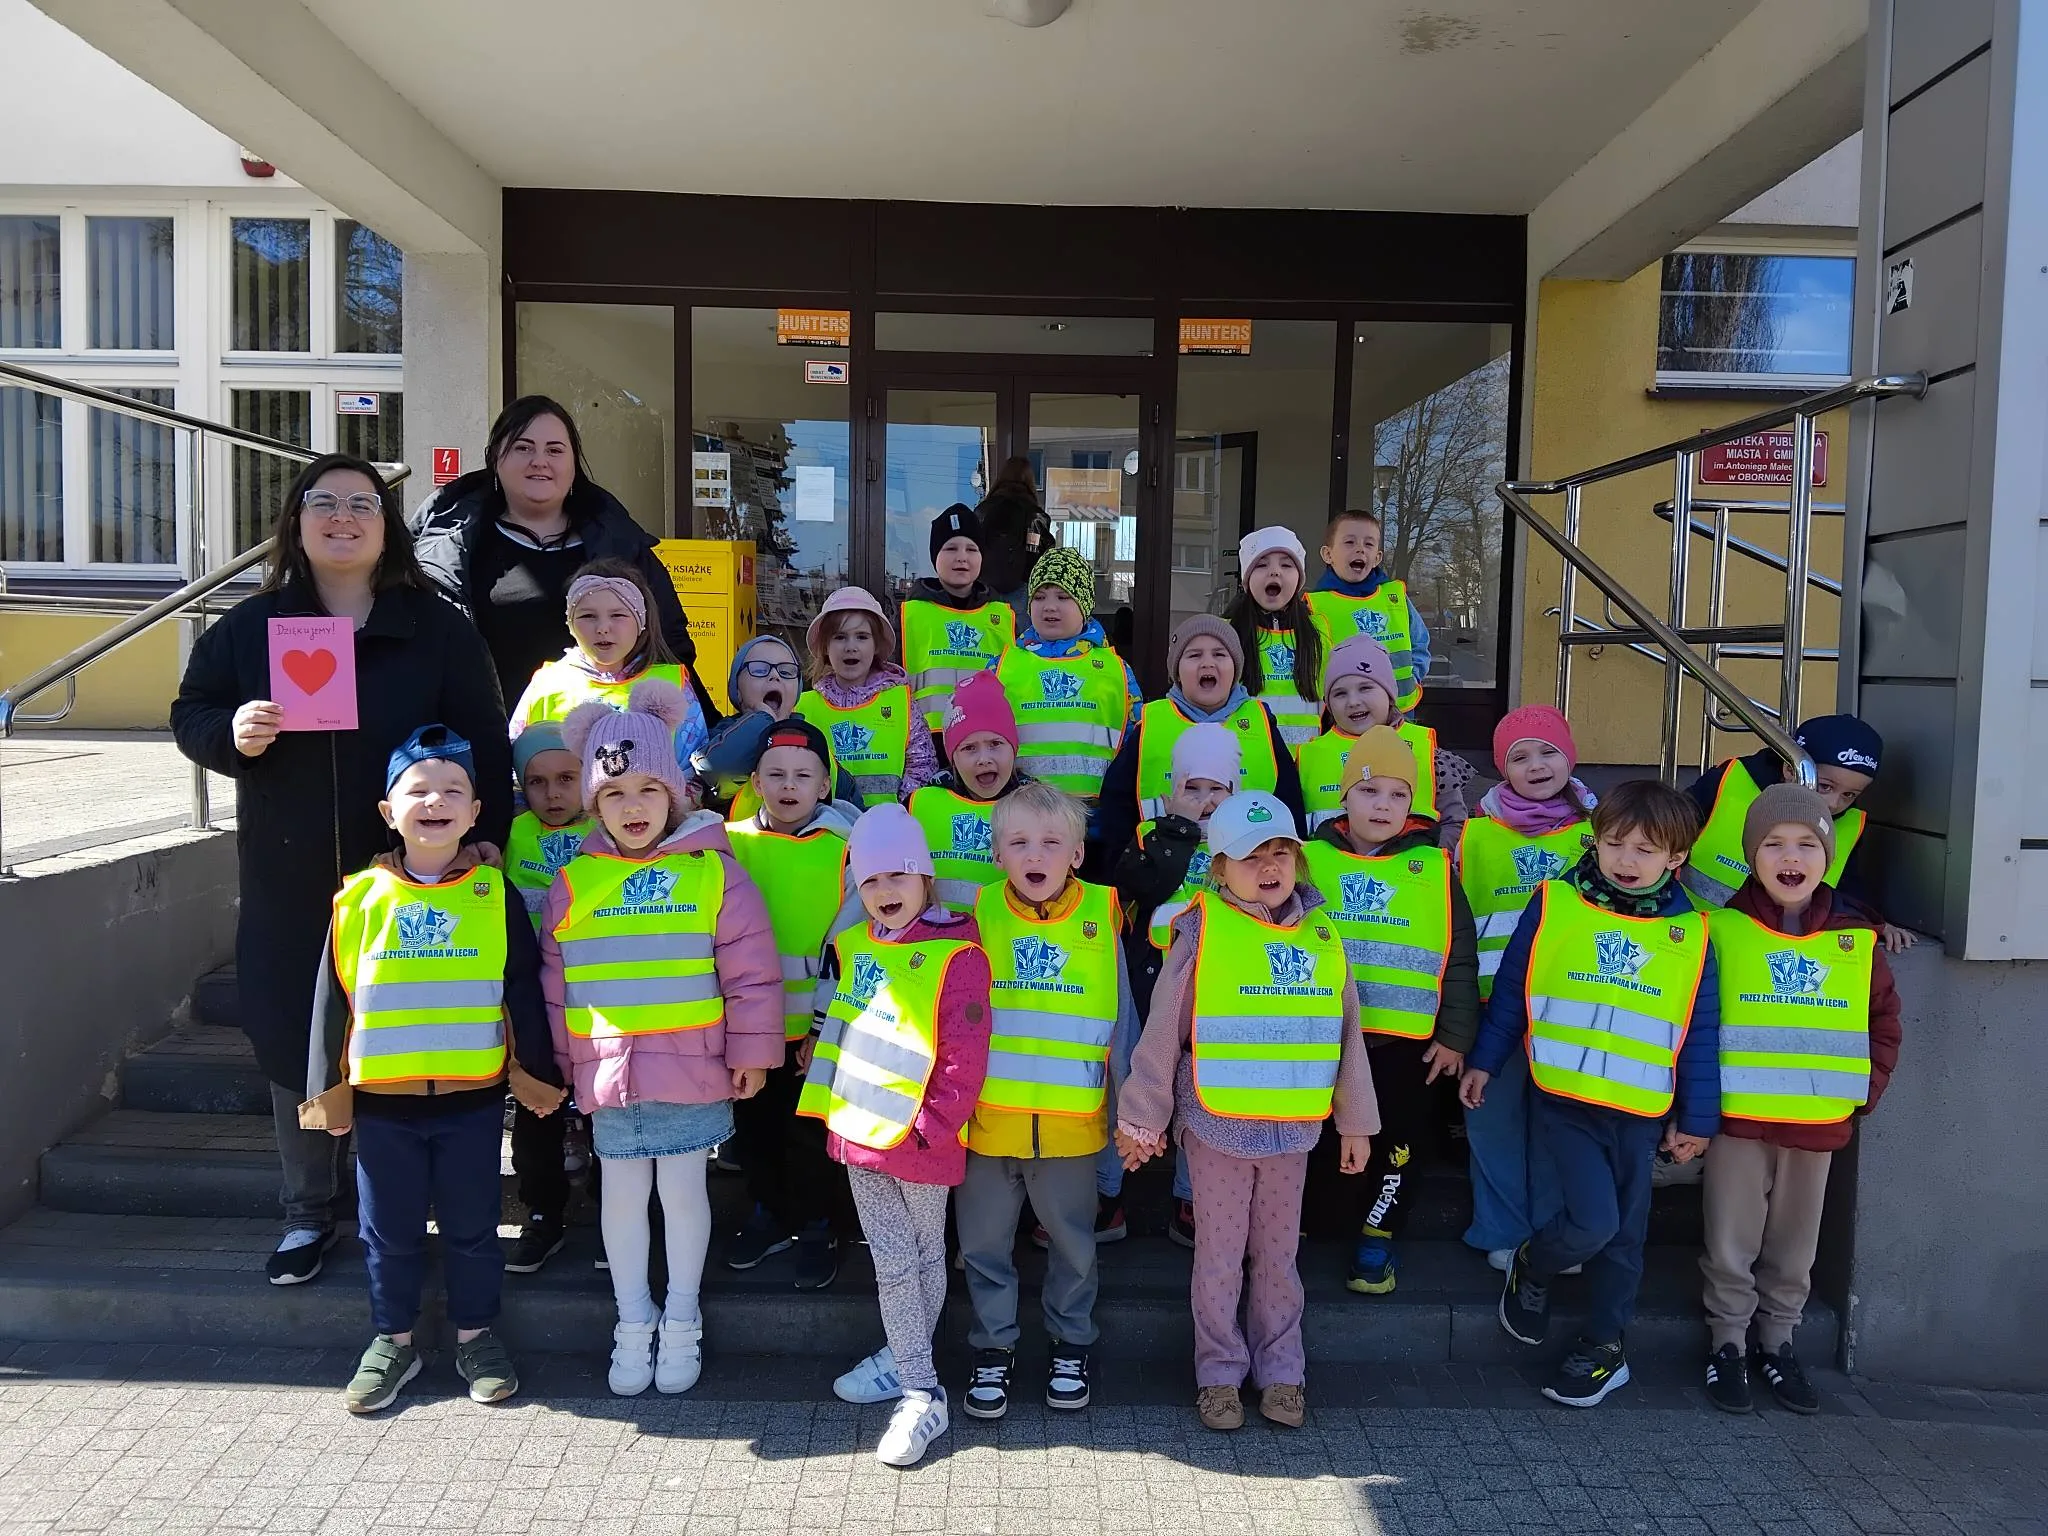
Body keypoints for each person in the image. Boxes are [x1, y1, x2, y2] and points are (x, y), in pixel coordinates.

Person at [171, 454, 511, 1287]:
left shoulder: (437, 628)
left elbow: (485, 738)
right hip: (291, 879)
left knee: (404, 1029)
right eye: (323, 502)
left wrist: (487, 837)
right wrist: (231, 734)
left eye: (363, 503)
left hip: (408, 878)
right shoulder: (252, 628)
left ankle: (398, 1209)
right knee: (295, 1033)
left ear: (387, 527)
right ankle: (306, 1211)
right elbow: (191, 711)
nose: (343, 517)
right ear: (296, 523)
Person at [300, 726, 565, 1413]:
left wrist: (536, 1074)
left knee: (473, 1227)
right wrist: (328, 1093)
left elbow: (520, 990)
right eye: (417, 790)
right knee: (386, 1231)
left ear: (476, 812)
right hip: (383, 1104)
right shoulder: (358, 897)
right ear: (388, 811)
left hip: (470, 1100)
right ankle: (393, 1341)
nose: (435, 801)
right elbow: (333, 1000)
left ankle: (476, 1336)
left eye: (453, 791)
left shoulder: (494, 894)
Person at [539, 680, 785, 1397]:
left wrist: (752, 1053)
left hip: (692, 1069)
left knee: (682, 1193)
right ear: (595, 804)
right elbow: (555, 983)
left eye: (648, 789)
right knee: (619, 1198)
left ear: (675, 793)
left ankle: (681, 1315)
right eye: (614, 794)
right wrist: (558, 1066)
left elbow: (750, 971)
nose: (633, 806)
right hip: (609, 1074)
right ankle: (632, 1316)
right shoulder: (574, 882)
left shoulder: (712, 872)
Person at [1116, 792, 1377, 1432]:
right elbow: (1163, 1030)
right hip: (1218, 1129)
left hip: (1293, 1131)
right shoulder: (1201, 930)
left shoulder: (1323, 933)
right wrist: (1143, 1116)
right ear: (1219, 868)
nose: (1269, 865)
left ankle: (1283, 1371)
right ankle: (1219, 1374)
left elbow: (1347, 1033)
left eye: (1281, 852)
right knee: (1220, 1259)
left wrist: (1355, 1122)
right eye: (1250, 855)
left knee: (1279, 1259)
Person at [1460, 780, 1721, 1409]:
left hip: (1641, 1112)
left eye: (1645, 851)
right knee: (1594, 1223)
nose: (1626, 860)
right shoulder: (1555, 902)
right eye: (1614, 844)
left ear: (1677, 858)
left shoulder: (1692, 932)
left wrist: (1697, 1119)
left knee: (1625, 1239)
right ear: (1594, 841)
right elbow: (1514, 989)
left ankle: (1605, 1345)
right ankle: (1534, 1262)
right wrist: (1486, 1062)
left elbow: (1699, 1029)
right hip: (1565, 1100)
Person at [1698, 785, 1901, 1415]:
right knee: (1730, 1241)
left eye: (1808, 844)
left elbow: (1884, 1023)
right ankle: (1728, 1344)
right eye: (1774, 844)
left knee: (1795, 1248)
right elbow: (1695, 1021)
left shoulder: (1857, 939)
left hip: (1817, 1126)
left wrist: (1863, 1093)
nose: (1791, 856)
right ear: (1751, 856)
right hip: (1738, 1123)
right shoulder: (1719, 929)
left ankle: (1778, 1343)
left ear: (1827, 856)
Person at [800, 805, 992, 1468]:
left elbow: (965, 1056)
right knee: (895, 1259)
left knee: (920, 1256)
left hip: (920, 1140)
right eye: (871, 879)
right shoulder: (857, 943)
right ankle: (912, 1369)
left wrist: (932, 1127)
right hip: (860, 1132)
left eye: (898, 875)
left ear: (925, 878)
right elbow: (843, 1027)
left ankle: (918, 1387)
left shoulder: (959, 954)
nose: (884, 890)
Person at [958, 783, 1134, 1420]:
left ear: (1077, 855)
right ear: (997, 853)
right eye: (1019, 842)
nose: (1036, 854)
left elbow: (1123, 1023)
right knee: (983, 1246)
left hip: (1071, 1127)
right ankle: (993, 1347)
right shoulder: (976, 913)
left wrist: (1132, 1110)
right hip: (987, 1124)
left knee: (1073, 1247)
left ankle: (1071, 1344)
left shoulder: (1103, 915)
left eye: (1052, 842)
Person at [1299, 727, 1478, 1296]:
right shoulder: (1308, 860)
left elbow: (1459, 955)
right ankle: (1306, 1223)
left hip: (1404, 1045)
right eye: (1370, 790)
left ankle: (1378, 1233)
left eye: (1399, 794)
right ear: (1344, 796)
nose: (1383, 805)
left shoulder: (1435, 868)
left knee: (1398, 1145)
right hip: (1321, 1039)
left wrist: (1455, 1035)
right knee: (1322, 1138)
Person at [409, 394, 717, 719]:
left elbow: (671, 648)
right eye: (523, 448)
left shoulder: (621, 545)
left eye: (554, 450)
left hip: (604, 740)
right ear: (495, 458)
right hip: (482, 738)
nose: (539, 461)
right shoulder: (449, 549)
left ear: (573, 465)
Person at [723, 716, 863, 1290]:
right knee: (755, 1128)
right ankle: (768, 1214)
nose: (788, 786)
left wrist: (824, 1030)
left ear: (824, 784)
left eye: (803, 775)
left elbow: (847, 947)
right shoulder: (729, 845)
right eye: (775, 774)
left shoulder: (845, 850)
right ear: (755, 782)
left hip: (814, 1031)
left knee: (808, 1135)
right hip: (747, 1029)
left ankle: (816, 1224)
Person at [1456, 704, 1598, 1269]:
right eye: (1519, 757)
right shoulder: (1475, 835)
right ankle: (1502, 1231)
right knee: (1492, 1120)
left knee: (1557, 1124)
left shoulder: (1599, 834)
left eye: (1548, 752)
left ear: (1570, 758)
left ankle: (1554, 1236)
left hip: (1567, 1005)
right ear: (1502, 768)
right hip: (1491, 1005)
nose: (1536, 765)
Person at [1109, 721, 1240, 1249]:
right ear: (1171, 791)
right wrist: (1178, 830)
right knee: (1128, 1077)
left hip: (1213, 990)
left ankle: (1190, 1194)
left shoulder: (1243, 844)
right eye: (1192, 787)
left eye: (1217, 789)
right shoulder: (1151, 835)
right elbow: (1140, 886)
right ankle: (1108, 1190)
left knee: (1198, 1087)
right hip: (1151, 980)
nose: (1204, 801)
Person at [1094, 615, 1303, 875]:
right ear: (1177, 672)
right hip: (1163, 878)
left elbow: (1290, 805)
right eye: (1194, 655)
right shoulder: (1152, 722)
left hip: (1251, 879)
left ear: (1235, 668)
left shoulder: (1261, 722)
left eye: (1219, 654)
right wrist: (1120, 872)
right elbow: (1117, 807)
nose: (1207, 663)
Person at [1684, 715, 1911, 951]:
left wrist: (1874, 922)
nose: (1834, 803)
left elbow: (1849, 890)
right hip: (1689, 929)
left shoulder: (1849, 824)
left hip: (1771, 945)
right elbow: (1668, 834)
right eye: (1825, 786)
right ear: (1789, 769)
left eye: (1849, 795)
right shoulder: (1730, 782)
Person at [502, 721, 596, 1274]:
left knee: (602, 1106)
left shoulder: (611, 827)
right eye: (537, 782)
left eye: (567, 779)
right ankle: (542, 1215)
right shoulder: (507, 836)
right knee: (537, 1107)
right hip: (532, 999)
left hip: (595, 997)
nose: (553, 794)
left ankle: (615, 1212)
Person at [508, 561, 709, 767]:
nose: (603, 628)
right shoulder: (547, 684)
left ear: (641, 621)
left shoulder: (672, 684)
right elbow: (519, 765)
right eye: (588, 616)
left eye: (618, 615)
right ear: (570, 623)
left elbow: (693, 767)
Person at [995, 547, 1140, 805]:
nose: (1050, 607)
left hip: (1096, 817)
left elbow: (1135, 747)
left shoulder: (1116, 670)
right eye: (1039, 597)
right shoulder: (1001, 667)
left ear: (1084, 605)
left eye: (1063, 597)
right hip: (1021, 814)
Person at [1298, 634, 1470, 843]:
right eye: (1340, 693)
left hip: (1412, 864)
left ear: (1389, 694)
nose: (1353, 702)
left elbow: (1454, 823)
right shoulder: (1309, 757)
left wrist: (1429, 858)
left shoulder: (1429, 754)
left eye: (1365, 688)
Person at [794, 587, 938, 806]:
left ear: (876, 645)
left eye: (862, 637)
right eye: (839, 637)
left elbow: (922, 766)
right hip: (824, 826)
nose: (851, 647)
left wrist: (898, 814)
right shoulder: (803, 708)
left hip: (889, 825)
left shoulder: (902, 702)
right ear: (825, 646)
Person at [907, 671, 1032, 911]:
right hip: (936, 932)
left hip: (1004, 930)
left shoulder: (1039, 808)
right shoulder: (920, 804)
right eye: (969, 748)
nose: (984, 759)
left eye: (995, 744)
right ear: (952, 758)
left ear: (1014, 749)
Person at [900, 503, 1014, 734]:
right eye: (951, 548)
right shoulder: (910, 614)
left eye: (971, 549)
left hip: (986, 738)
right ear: (935, 556)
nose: (962, 557)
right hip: (925, 741)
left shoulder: (1004, 616)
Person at [1307, 509, 1431, 714]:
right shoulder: (1315, 606)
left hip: (1399, 714)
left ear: (1377, 558)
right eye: (1350, 542)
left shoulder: (1395, 597)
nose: (1360, 549)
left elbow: (1420, 644)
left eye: (1369, 544)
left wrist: (1413, 677)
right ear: (1328, 555)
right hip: (1346, 714)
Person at [719, 637, 862, 812]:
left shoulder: (815, 743)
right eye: (759, 670)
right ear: (737, 689)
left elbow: (852, 810)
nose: (774, 676)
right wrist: (761, 721)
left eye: (786, 672)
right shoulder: (719, 736)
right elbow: (713, 770)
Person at [1226, 526, 1327, 749]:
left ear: (1299, 578)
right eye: (1261, 565)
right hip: (1249, 761)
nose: (1274, 572)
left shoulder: (1320, 631)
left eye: (1286, 565)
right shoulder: (1227, 634)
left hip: (1305, 760)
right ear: (1246, 579)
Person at [974, 456, 1052, 609]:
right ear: (1030, 480)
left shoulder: (982, 511)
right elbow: (1041, 557)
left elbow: (972, 547)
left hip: (984, 586)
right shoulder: (1035, 515)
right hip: (1021, 587)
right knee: (1019, 624)